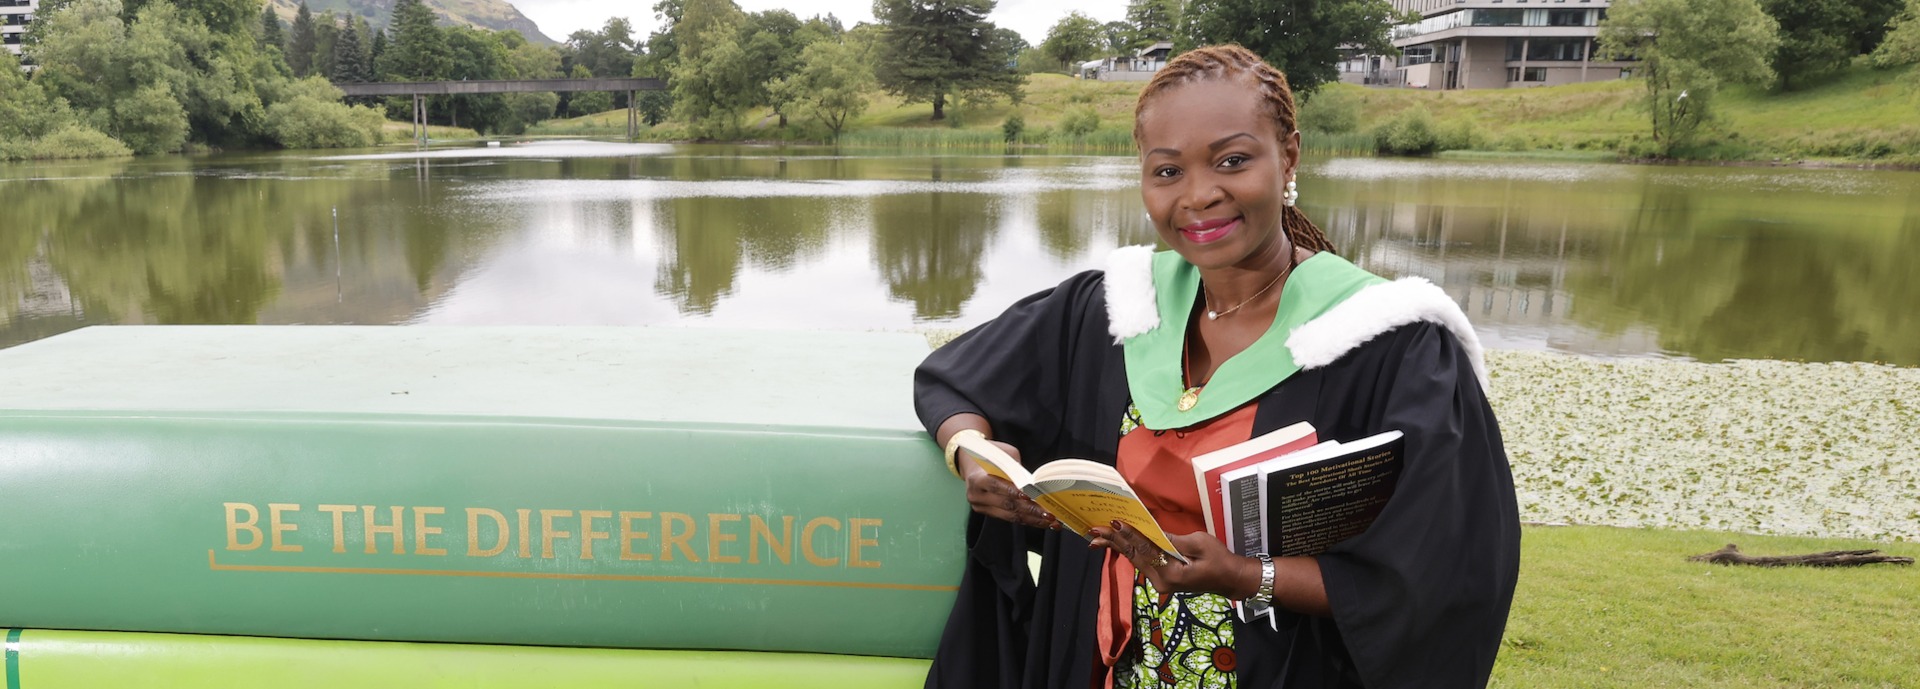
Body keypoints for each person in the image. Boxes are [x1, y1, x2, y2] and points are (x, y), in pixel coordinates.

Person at [914, 45, 1520, 689]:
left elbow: (1446, 570)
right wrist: (973, 452)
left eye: (1233, 161)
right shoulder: (1116, 308)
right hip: (1099, 658)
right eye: (1167, 171)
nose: (1200, 196)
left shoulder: (1387, 341)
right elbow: (958, 380)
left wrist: (1246, 575)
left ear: (1288, 155)